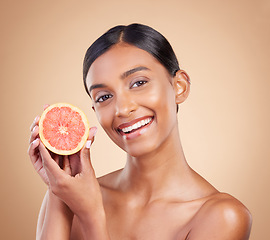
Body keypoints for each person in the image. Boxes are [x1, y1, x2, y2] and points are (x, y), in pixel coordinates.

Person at [28, 23, 252, 240]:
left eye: (138, 83)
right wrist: (58, 188)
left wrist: (92, 216)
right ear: (95, 110)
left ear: (179, 86)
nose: (123, 109)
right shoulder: (72, 197)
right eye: (104, 97)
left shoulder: (222, 217)